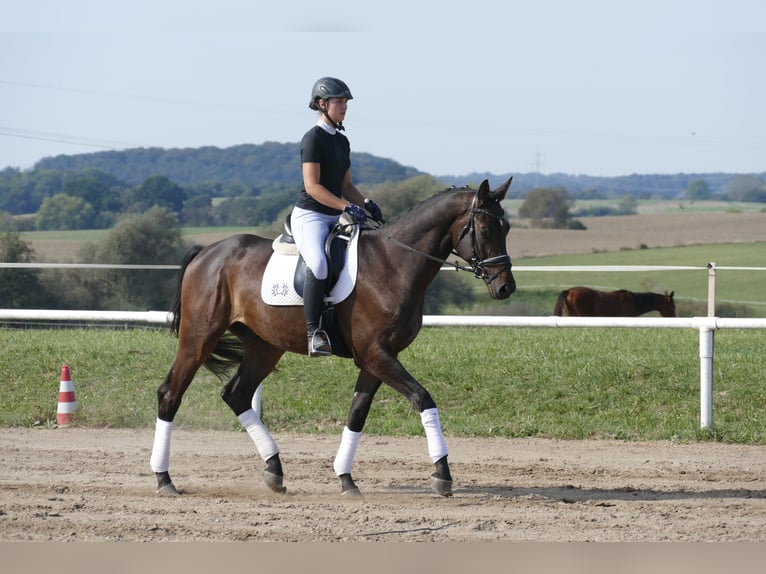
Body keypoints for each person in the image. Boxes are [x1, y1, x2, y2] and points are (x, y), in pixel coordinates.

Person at [291, 77, 382, 357]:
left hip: (335, 215)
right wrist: (345, 207)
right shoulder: (313, 138)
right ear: (322, 104)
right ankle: (313, 333)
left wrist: (364, 202)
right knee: (318, 264)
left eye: (345, 102)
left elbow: (346, 186)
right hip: (311, 216)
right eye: (339, 102)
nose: (344, 107)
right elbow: (313, 187)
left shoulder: (342, 141)